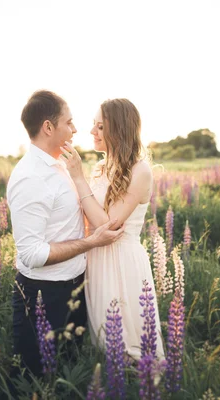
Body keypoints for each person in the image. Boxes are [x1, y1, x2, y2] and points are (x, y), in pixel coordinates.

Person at [6, 90, 125, 377]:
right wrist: (91, 242)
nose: (75, 130)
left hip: (74, 288)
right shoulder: (30, 177)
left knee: (70, 375)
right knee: (33, 381)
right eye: (68, 123)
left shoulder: (61, 164)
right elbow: (32, 254)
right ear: (48, 127)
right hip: (42, 297)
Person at [60, 98, 165, 360]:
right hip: (95, 257)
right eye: (93, 126)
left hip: (121, 260)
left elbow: (106, 223)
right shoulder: (101, 167)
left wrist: (77, 177)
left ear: (119, 129)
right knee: (102, 336)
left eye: (100, 127)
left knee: (129, 341)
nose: (92, 132)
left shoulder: (140, 171)